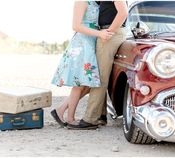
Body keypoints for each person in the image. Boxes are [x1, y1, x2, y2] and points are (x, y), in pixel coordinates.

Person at [51, 1, 114, 128]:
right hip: (82, 44)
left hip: (91, 43)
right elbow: (76, 26)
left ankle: (61, 109)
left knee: (87, 84)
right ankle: (70, 119)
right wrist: (100, 33)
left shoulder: (96, 3)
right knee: (79, 84)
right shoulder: (82, 1)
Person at [68, 1, 128, 129]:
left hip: (110, 33)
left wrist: (108, 32)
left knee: (99, 76)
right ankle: (100, 115)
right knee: (102, 74)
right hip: (109, 32)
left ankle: (90, 119)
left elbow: (123, 12)